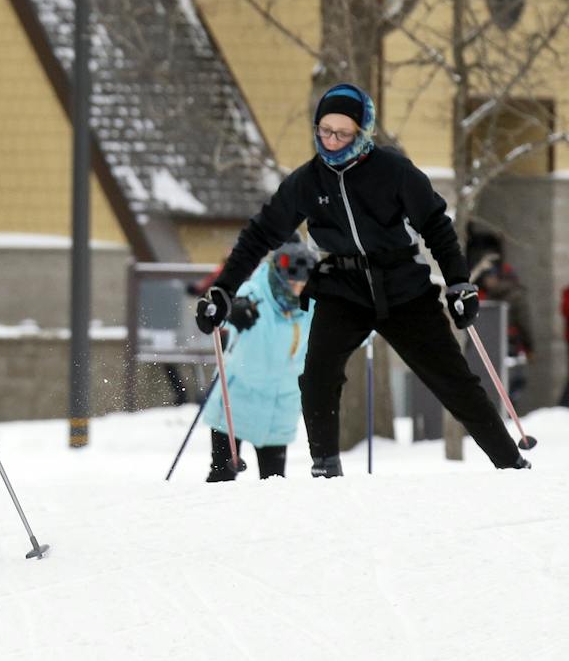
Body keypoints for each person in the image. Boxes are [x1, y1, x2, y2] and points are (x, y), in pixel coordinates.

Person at [197, 83, 530, 475]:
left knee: (453, 380)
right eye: (324, 130)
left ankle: (511, 464)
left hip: (403, 286)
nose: (332, 141)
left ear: (362, 132)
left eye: (342, 132)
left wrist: (459, 283)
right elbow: (260, 235)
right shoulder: (308, 182)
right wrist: (223, 289)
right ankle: (326, 469)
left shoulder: (394, 171)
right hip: (343, 286)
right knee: (318, 376)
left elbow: (436, 226)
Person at [202, 242, 317, 481]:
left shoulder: (313, 307)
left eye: (302, 284)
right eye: (292, 283)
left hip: (280, 408)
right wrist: (231, 311)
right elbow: (223, 314)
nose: (297, 290)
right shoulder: (254, 293)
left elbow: (344, 331)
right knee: (221, 476)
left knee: (273, 482)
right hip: (236, 402)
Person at [465, 227, 534, 402]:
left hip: (505, 345)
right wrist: (529, 346)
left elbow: (522, 315)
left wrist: (528, 345)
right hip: (487, 347)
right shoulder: (479, 285)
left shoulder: (506, 286)